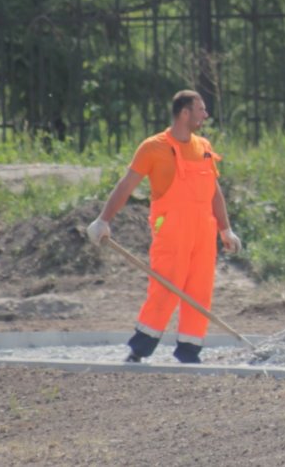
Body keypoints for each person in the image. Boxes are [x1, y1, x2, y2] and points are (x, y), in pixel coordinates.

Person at [86, 90, 243, 364]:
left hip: (203, 235)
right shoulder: (153, 147)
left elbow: (214, 191)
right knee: (165, 288)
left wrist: (225, 229)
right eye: (201, 110)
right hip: (172, 232)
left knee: (199, 291)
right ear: (185, 113)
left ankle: (189, 352)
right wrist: (103, 220)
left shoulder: (203, 146)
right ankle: (140, 350)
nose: (205, 115)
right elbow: (126, 185)